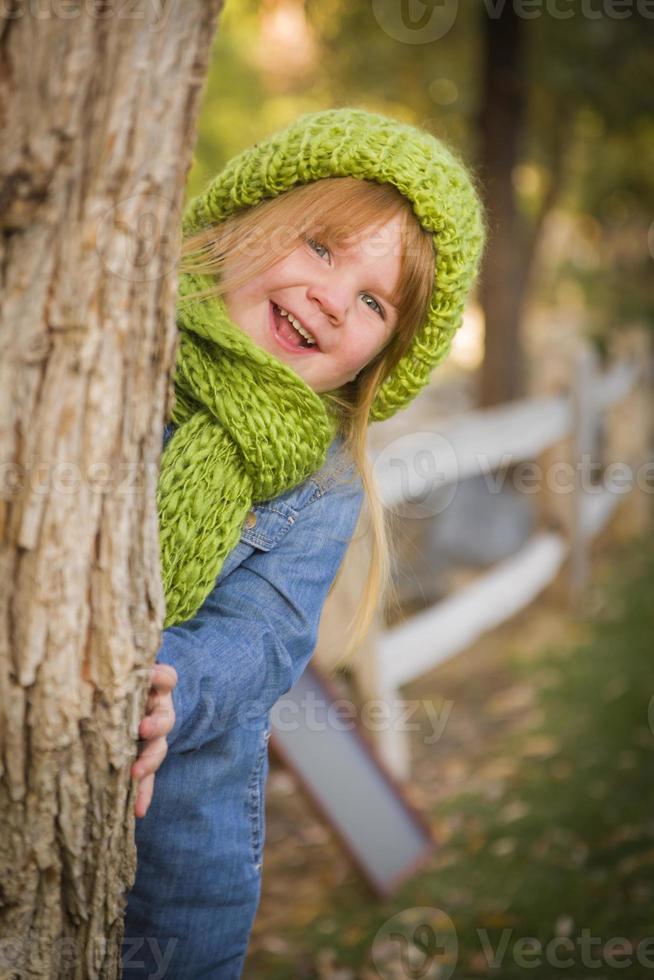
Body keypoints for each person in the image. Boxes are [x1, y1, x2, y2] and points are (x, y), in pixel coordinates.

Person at [121, 106, 486, 978]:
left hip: (177, 853)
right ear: (246, 217)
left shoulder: (321, 483)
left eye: (372, 301)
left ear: (376, 361)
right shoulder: (118, 361)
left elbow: (270, 631)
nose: (331, 298)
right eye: (321, 247)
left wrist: (177, 683)